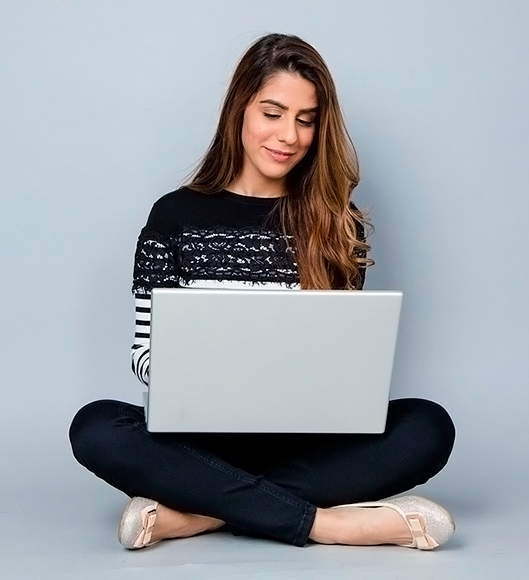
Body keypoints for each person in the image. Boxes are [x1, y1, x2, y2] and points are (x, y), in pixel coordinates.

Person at [69, 33, 456, 551]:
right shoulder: (174, 216)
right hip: (196, 440)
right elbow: (144, 353)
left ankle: (199, 512)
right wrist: (201, 370)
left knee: (429, 426)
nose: (289, 136)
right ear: (240, 111)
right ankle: (326, 524)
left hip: (306, 444)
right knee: (95, 427)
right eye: (272, 113)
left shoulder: (337, 224)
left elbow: (344, 363)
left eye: (305, 119)